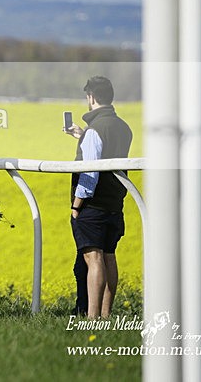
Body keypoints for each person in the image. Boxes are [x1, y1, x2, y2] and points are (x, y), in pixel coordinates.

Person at [64, 76, 133, 319]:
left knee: (93, 259)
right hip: (115, 201)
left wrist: (76, 205)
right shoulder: (123, 127)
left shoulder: (95, 130)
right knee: (108, 256)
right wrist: (83, 136)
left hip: (93, 204)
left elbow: (90, 172)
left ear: (91, 97)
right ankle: (106, 314)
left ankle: (92, 317)